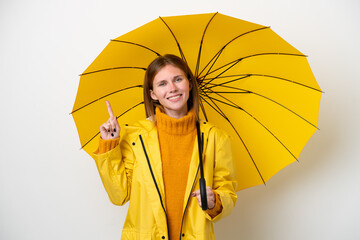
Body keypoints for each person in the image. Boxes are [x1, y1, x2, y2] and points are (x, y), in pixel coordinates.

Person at [91, 54, 237, 240]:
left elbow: (228, 193)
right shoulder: (135, 136)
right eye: (162, 84)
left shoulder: (216, 138)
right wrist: (109, 145)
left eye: (178, 79)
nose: (172, 88)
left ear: (190, 84)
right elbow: (119, 195)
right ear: (153, 94)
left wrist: (215, 200)